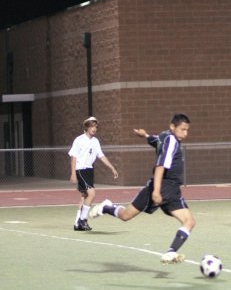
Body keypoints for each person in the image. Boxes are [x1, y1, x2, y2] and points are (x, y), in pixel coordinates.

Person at [89, 113, 196, 265]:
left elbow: (154, 140)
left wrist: (144, 134)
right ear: (172, 127)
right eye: (183, 129)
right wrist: (156, 191)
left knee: (189, 221)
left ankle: (170, 252)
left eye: (187, 130)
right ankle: (106, 207)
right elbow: (160, 166)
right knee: (126, 216)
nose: (185, 133)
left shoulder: (165, 136)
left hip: (173, 191)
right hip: (162, 187)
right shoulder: (171, 140)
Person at [69, 116, 118, 231]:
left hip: (89, 170)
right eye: (91, 126)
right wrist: (73, 173)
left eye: (95, 126)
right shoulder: (79, 140)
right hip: (80, 170)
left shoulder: (95, 141)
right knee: (91, 193)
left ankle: (77, 224)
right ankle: (83, 219)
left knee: (84, 197)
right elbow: (73, 157)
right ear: (86, 127)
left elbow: (101, 155)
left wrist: (112, 168)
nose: (94, 129)